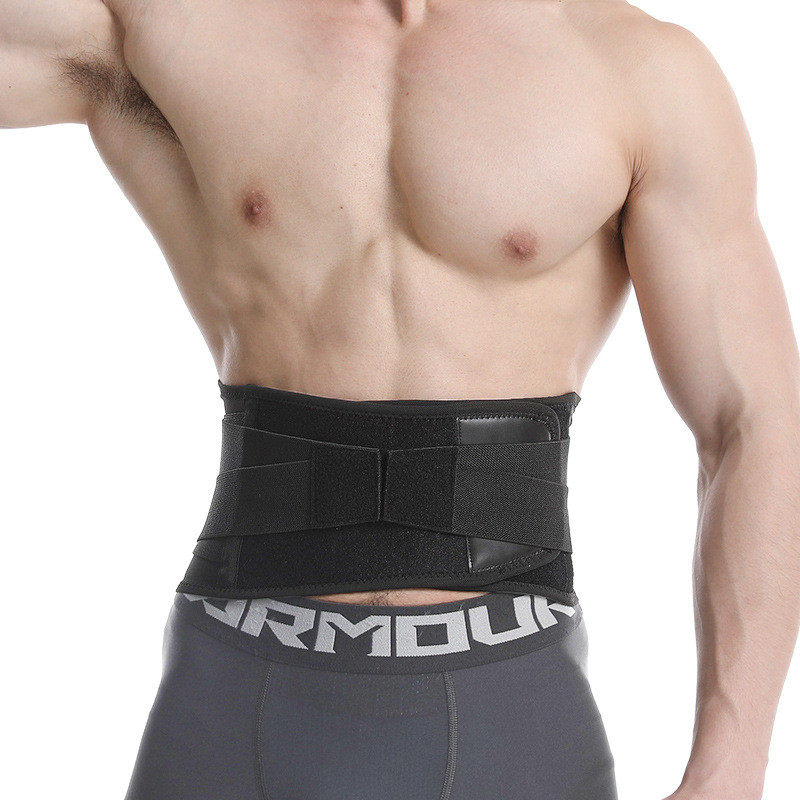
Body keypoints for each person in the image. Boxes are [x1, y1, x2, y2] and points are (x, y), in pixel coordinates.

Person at [2, 1, 798, 798]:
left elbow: (755, 420)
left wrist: (730, 772)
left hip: (508, 707)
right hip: (234, 695)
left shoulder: (638, 71)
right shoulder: (176, 28)